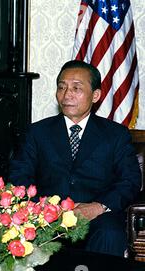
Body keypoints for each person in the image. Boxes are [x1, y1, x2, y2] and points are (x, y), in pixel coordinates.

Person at [9, 60, 142, 257]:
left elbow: (130, 181)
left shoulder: (115, 135)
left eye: (76, 88)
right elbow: (19, 177)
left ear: (95, 95)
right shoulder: (37, 132)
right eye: (61, 87)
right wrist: (44, 208)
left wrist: (98, 207)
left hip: (96, 216)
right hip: (46, 215)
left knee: (110, 233)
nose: (67, 94)